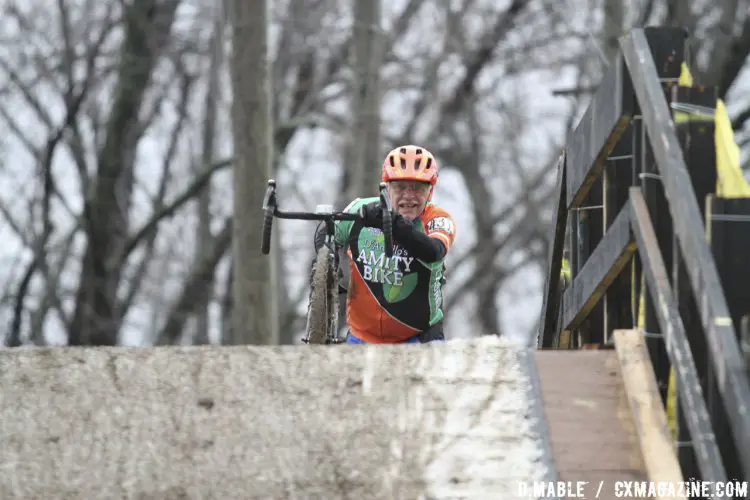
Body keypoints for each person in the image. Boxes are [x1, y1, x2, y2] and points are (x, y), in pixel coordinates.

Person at [314, 144, 457, 344]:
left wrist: (393, 223)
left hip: (418, 338)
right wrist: (327, 260)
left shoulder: (438, 219)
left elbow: (434, 251)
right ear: (387, 187)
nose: (408, 195)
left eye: (417, 187)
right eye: (399, 187)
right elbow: (327, 233)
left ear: (430, 192)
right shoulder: (361, 209)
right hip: (362, 338)